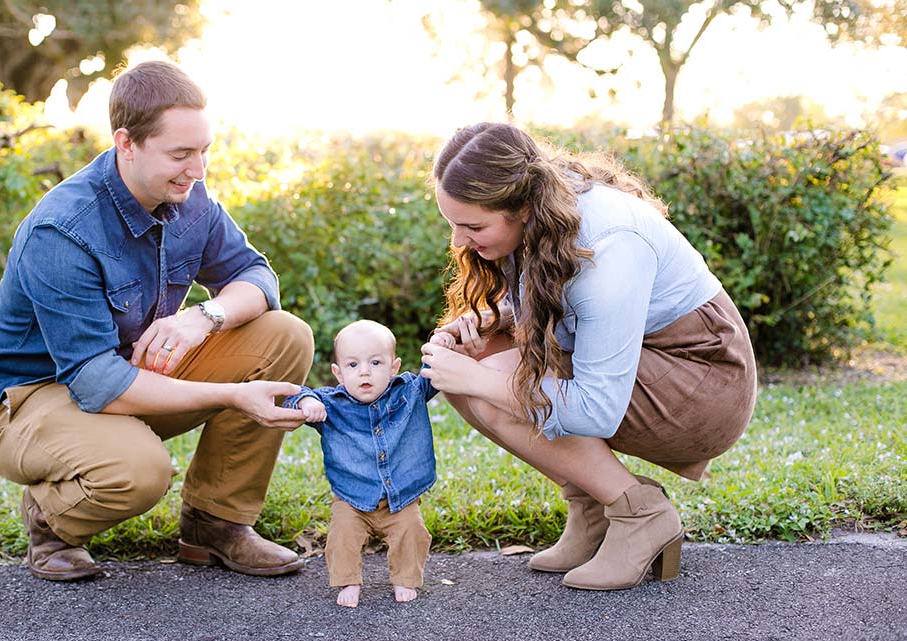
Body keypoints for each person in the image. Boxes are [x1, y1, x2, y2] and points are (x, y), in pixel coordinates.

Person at [0, 61, 314, 582]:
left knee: (285, 336)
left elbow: (257, 278)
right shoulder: (63, 230)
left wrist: (203, 316)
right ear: (126, 143)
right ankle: (51, 521)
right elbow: (96, 382)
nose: (198, 171)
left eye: (204, 151)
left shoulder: (191, 200)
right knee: (140, 473)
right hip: (30, 399)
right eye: (180, 155)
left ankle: (215, 525)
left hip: (123, 376)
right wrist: (231, 395)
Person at [420, 122, 757, 591]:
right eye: (452, 224)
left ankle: (640, 513)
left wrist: (477, 379)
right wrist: (495, 319)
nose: (459, 242)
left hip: (702, 384)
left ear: (519, 205)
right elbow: (565, 305)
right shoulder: (546, 211)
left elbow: (596, 409)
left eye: (473, 226)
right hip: (650, 361)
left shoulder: (608, 244)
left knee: (483, 378)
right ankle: (593, 508)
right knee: (471, 362)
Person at [285, 320, 452, 607]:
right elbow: (295, 394)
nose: (364, 371)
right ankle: (348, 581)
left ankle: (405, 578)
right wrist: (306, 402)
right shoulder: (332, 405)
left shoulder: (409, 392)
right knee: (342, 537)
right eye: (352, 365)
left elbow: (434, 373)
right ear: (338, 373)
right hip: (352, 498)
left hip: (400, 498)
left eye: (375, 362)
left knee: (412, 533)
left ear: (394, 367)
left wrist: (443, 347)